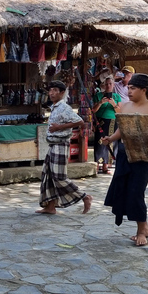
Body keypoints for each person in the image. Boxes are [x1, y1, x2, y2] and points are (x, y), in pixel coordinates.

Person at [100, 73, 148, 246]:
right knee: (124, 189)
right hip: (124, 154)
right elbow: (122, 130)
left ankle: (140, 232)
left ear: (144, 90)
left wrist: (145, 137)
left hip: (144, 157)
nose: (129, 91)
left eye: (133, 88)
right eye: (128, 88)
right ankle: (144, 227)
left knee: (136, 191)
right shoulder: (126, 107)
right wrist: (111, 139)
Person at [38, 81, 92, 215]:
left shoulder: (64, 107)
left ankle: (84, 196)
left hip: (61, 145)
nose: (51, 93)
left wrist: (59, 127)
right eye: (50, 90)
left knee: (59, 176)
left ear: (62, 93)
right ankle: (50, 206)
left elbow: (80, 122)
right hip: (53, 145)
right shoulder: (55, 107)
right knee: (48, 175)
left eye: (55, 90)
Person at [92, 76, 122, 173]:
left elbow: (119, 111)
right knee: (99, 142)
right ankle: (97, 164)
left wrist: (114, 104)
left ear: (113, 85)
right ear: (103, 85)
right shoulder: (98, 95)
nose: (108, 85)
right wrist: (101, 102)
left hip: (112, 122)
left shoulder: (117, 97)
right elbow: (93, 110)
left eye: (110, 84)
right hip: (100, 121)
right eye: (107, 84)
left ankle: (106, 166)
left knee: (111, 143)